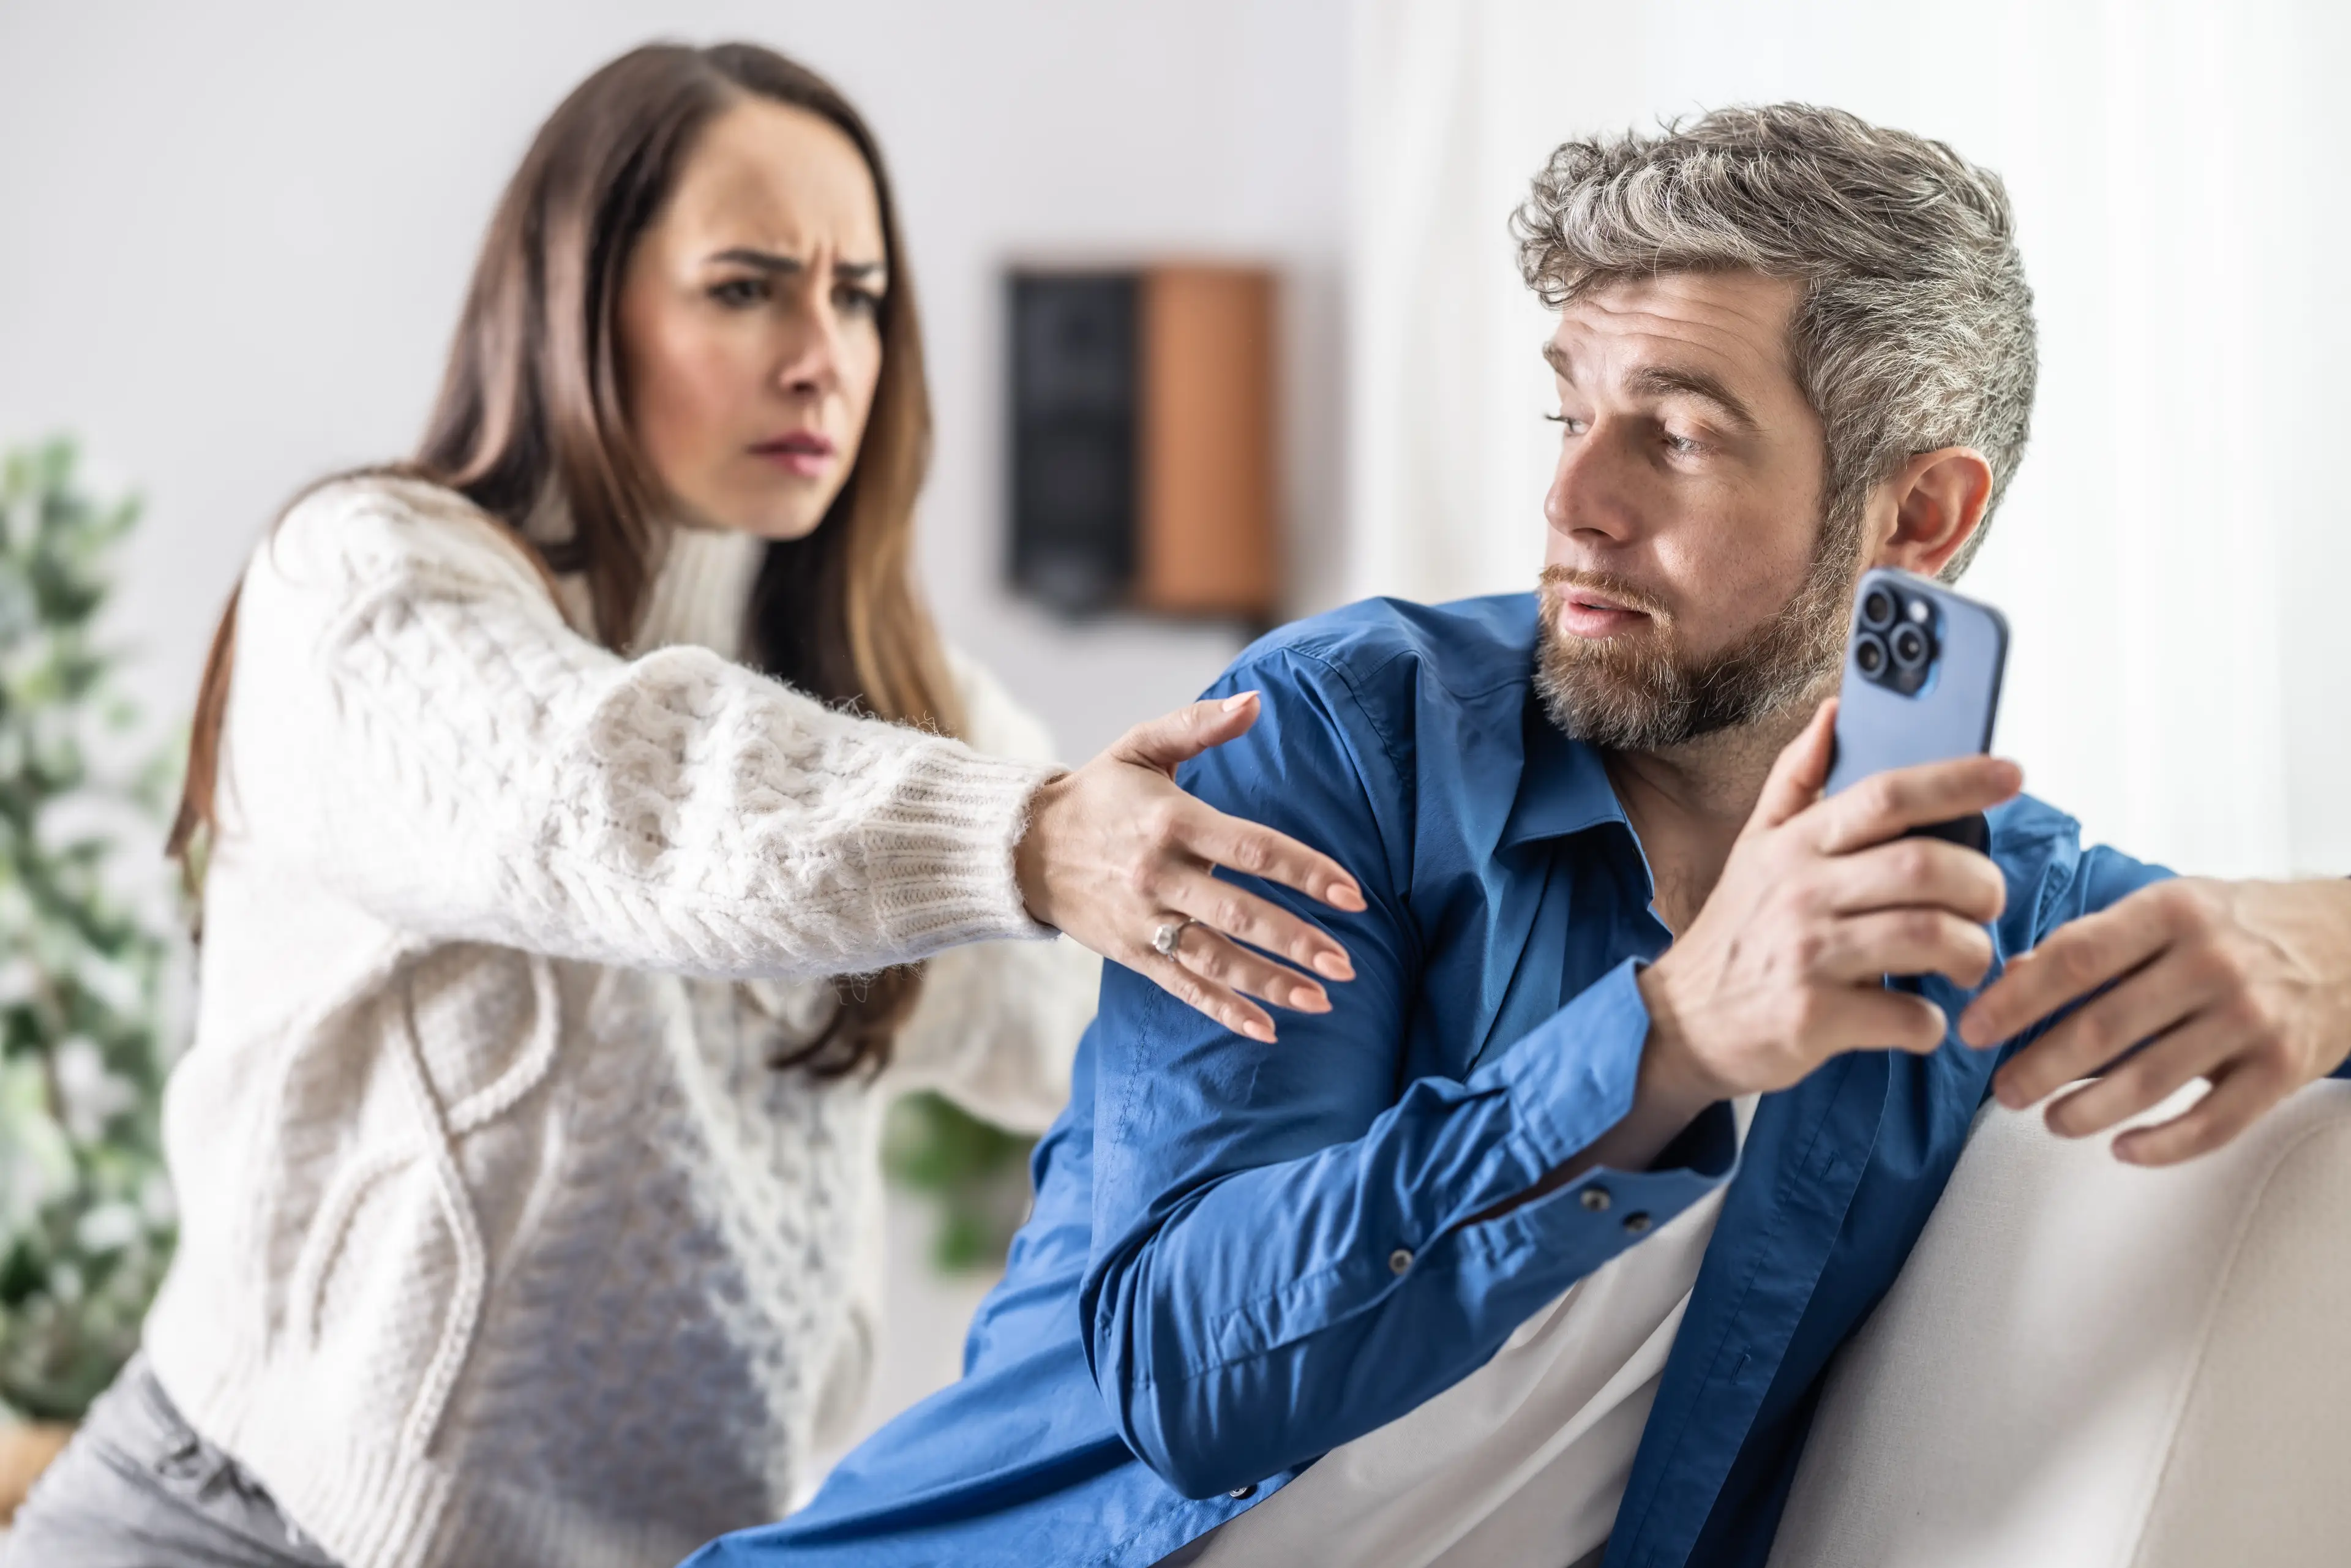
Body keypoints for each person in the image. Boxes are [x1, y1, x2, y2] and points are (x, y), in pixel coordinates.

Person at [683, 105, 2351, 1568]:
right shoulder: (1342, 740)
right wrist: (1676, 1038)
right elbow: (1188, 1374)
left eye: (1678, 433)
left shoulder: (1977, 907)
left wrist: (2329, 940)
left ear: (1918, 516)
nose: (1572, 506)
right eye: (1572, 415)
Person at [1, 41, 1367, 1568]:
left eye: (857, 294)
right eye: (747, 286)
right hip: (221, 1526)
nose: (823, 355)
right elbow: (617, 791)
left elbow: (1105, 1029)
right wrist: (1036, 838)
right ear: (580, 303)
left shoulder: (917, 703)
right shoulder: (367, 580)